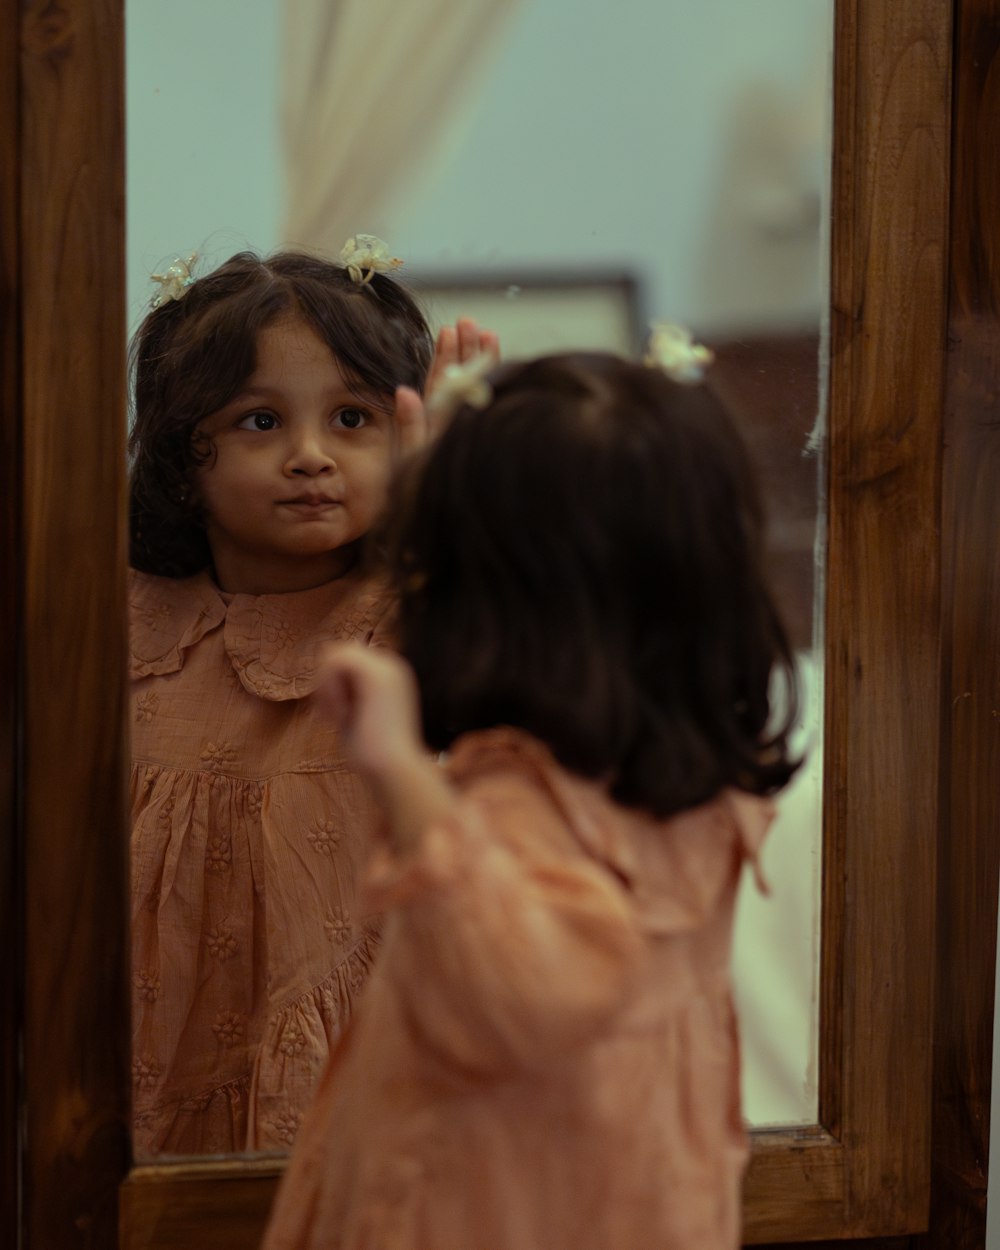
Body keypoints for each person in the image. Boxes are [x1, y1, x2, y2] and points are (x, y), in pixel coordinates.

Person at [262, 343, 802, 1249]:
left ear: (483, 596)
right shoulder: (687, 784)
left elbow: (526, 987)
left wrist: (399, 773)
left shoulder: (522, 806)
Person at [128, 240, 497, 1156]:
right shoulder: (124, 618)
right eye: (259, 422)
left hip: (358, 1071)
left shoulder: (414, 613)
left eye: (351, 418)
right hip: (133, 1057)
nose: (309, 457)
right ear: (182, 459)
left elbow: (536, 648)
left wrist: (453, 498)